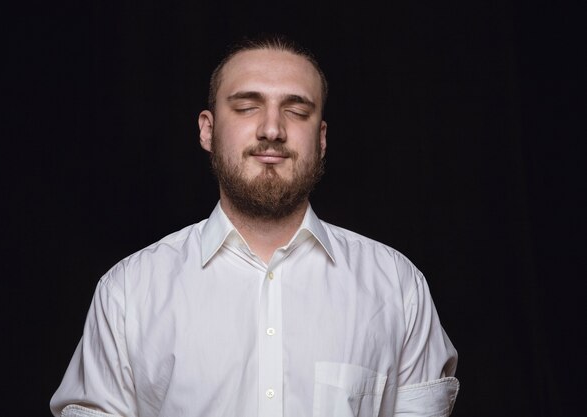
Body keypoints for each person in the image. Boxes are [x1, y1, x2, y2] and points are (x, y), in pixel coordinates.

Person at [50, 33, 459, 417]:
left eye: (296, 111)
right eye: (247, 107)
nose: (271, 130)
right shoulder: (127, 295)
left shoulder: (398, 288)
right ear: (207, 130)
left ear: (321, 139)